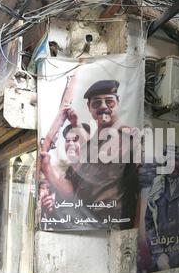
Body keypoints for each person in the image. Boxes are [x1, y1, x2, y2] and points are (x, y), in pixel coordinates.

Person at [40, 80, 139, 229]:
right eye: (97, 103)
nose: (103, 106)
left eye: (109, 101)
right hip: (85, 227)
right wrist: (47, 169)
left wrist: (135, 236)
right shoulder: (90, 147)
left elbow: (144, 191)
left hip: (112, 230)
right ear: (89, 107)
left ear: (117, 102)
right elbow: (73, 192)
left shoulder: (130, 139)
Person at [144, 149, 179, 271]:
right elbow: (149, 224)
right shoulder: (156, 187)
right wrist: (159, 255)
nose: (173, 164)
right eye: (168, 160)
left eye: (176, 159)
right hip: (160, 260)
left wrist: (172, 257)